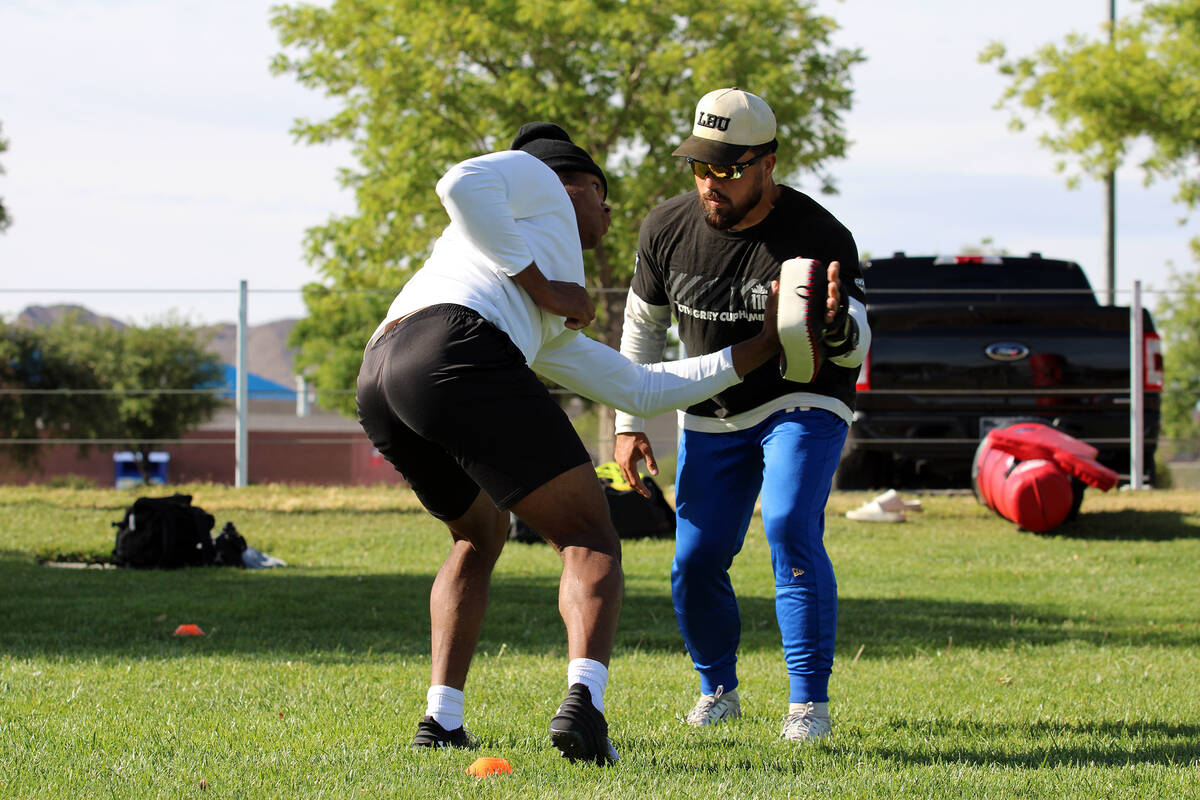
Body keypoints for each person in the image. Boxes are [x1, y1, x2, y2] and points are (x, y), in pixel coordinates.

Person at [355, 121, 784, 765]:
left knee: (480, 533)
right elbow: (460, 182)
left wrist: (755, 350)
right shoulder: (540, 178)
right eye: (604, 198)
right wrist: (543, 284)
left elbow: (637, 388)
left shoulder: (541, 316)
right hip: (455, 345)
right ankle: (585, 706)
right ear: (575, 184)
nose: (608, 216)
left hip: (383, 377)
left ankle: (440, 719)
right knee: (590, 537)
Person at [614, 88, 871, 742]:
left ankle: (808, 706)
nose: (710, 183)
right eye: (701, 167)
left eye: (727, 169)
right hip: (713, 404)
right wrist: (628, 422)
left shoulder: (819, 233)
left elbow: (860, 342)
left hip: (802, 396)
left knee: (788, 523)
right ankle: (717, 690)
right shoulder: (666, 228)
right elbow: (641, 332)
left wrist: (838, 325)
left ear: (767, 164)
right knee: (695, 559)